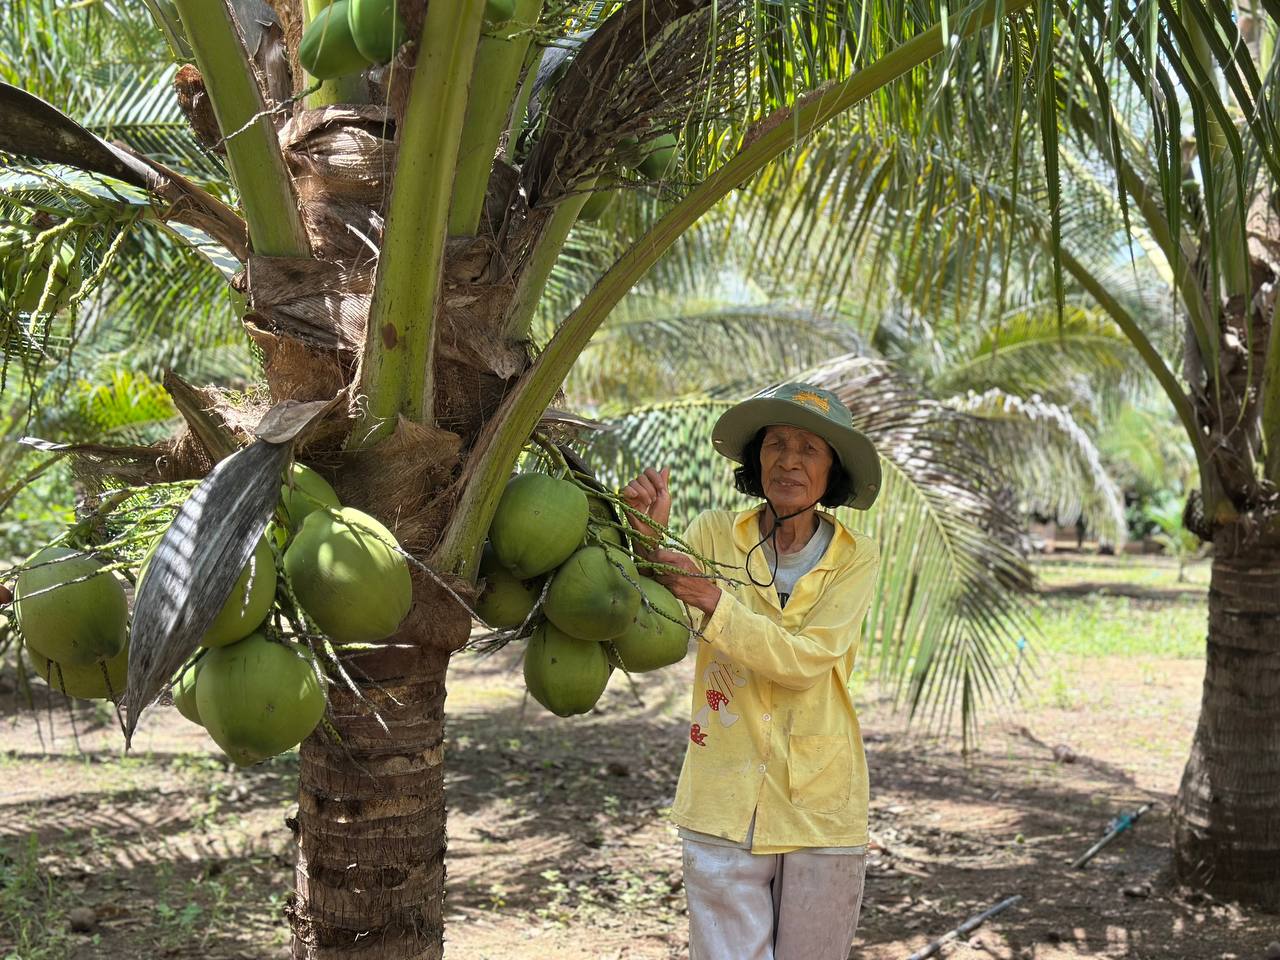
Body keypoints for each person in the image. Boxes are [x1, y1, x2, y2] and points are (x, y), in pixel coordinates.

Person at [622, 382, 882, 960]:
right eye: (776, 444)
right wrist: (643, 535)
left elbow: (807, 663)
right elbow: (654, 608)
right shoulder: (714, 534)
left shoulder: (854, 556)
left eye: (809, 449)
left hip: (821, 803)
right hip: (722, 791)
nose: (789, 460)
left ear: (832, 470)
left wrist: (713, 599)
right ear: (755, 459)